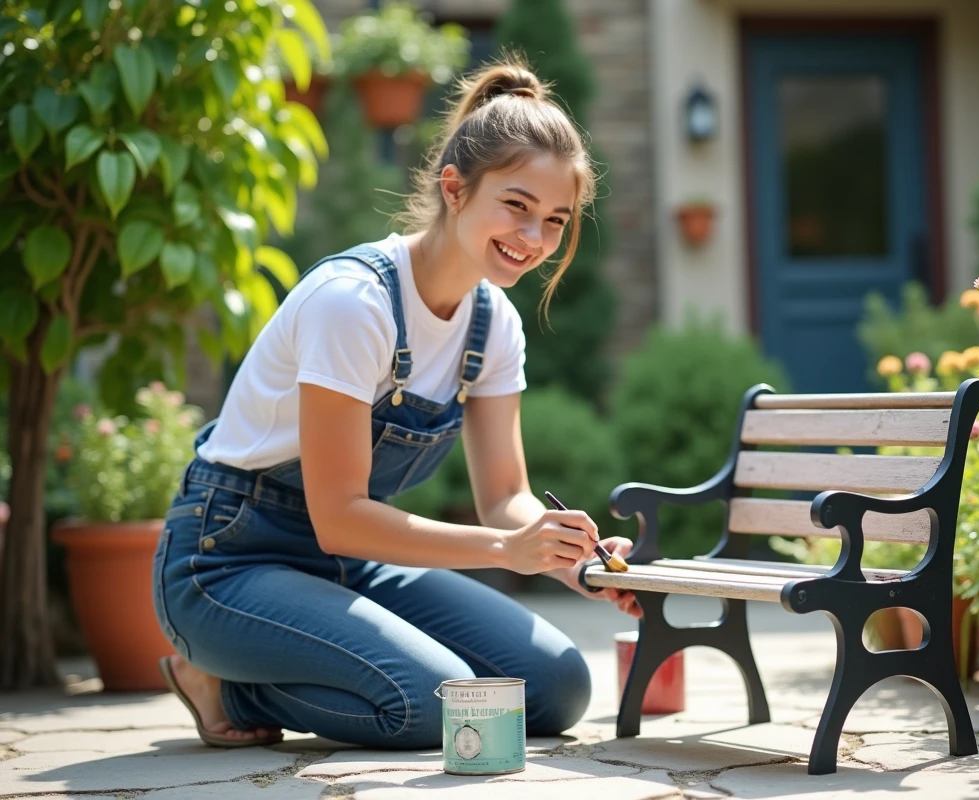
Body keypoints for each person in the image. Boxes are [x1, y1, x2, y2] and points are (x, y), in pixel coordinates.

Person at [152, 57, 641, 750]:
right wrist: (506, 548)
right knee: (428, 702)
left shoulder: (492, 324)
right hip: (227, 563)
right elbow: (341, 517)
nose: (534, 239)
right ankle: (216, 680)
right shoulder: (355, 304)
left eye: (556, 220)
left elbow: (506, 495)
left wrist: (570, 556)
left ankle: (323, 658)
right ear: (455, 189)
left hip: (351, 565)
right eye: (517, 206)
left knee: (556, 686)